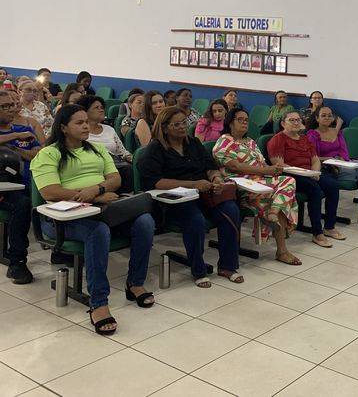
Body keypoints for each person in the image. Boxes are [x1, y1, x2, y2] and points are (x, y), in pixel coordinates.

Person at [31, 105, 155, 335]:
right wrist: (93, 194)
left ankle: (135, 283)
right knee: (97, 231)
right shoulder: (49, 154)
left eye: (86, 121)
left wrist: (97, 190)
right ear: (63, 128)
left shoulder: (97, 150)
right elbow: (49, 192)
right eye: (79, 123)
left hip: (101, 209)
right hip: (63, 217)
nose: (86, 126)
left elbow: (115, 178)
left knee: (145, 221)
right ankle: (98, 302)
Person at [137, 106, 243, 287]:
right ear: (164, 127)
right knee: (195, 220)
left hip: (204, 194)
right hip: (175, 200)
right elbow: (155, 182)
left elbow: (210, 166)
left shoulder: (193, 143)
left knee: (231, 210)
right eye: (176, 124)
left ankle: (227, 265)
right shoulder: (155, 149)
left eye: (184, 122)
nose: (182, 127)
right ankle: (198, 269)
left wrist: (215, 178)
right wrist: (193, 185)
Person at [213, 108, 301, 265]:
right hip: (242, 186)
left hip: (261, 181)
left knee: (288, 182)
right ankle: (281, 250)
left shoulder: (251, 142)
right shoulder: (224, 142)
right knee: (278, 196)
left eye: (246, 119)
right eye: (240, 119)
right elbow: (235, 167)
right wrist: (265, 170)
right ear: (230, 122)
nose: (245, 122)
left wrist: (273, 170)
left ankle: (273, 214)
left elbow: (262, 163)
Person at [267, 111, 344, 247]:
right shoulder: (278, 139)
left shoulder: (304, 139)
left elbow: (315, 159)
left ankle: (329, 226)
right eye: (292, 120)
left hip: (309, 172)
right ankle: (317, 233)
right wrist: (302, 172)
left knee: (332, 185)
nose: (296, 122)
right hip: (290, 175)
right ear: (283, 123)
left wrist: (315, 171)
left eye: (298, 120)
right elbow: (278, 164)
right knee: (314, 189)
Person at [307, 106, 358, 226]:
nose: (327, 118)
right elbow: (313, 157)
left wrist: (342, 160)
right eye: (323, 115)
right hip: (325, 169)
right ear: (317, 118)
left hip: (341, 166)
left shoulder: (337, 133)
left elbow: (344, 152)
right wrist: (329, 159)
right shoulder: (312, 134)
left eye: (330, 115)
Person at [0, 90, 40, 284]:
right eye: (3, 106)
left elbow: (38, 154)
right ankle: (17, 261)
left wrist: (15, 149)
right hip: (4, 191)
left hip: (27, 184)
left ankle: (59, 251)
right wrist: (16, 136)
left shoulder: (25, 132)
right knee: (22, 203)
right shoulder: (21, 132)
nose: (10, 109)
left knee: (49, 196)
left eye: (11, 105)